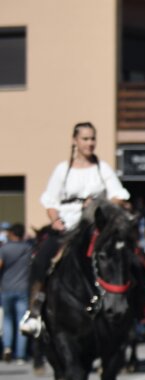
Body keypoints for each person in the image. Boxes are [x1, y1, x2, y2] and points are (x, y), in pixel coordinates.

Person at [21, 121, 130, 337]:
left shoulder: (102, 168)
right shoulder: (63, 169)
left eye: (92, 139)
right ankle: (34, 310)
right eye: (85, 139)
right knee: (42, 258)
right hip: (67, 225)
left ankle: (131, 307)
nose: (90, 143)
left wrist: (100, 203)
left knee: (119, 256)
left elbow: (119, 196)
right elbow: (50, 200)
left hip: (93, 226)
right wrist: (54, 220)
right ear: (75, 141)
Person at [0, 224, 31, 363]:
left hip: (6, 288)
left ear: (12, 233)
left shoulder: (4, 249)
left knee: (7, 320)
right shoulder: (28, 248)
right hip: (23, 288)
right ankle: (21, 355)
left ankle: (7, 347)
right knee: (21, 321)